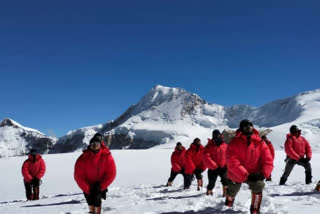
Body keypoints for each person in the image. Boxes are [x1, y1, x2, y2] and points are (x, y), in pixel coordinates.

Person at [225, 120, 273, 214]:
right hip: (237, 173)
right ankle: (229, 200)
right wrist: (245, 174)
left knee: (259, 186)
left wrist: (264, 173)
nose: (248, 128)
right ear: (241, 128)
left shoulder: (259, 142)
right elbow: (232, 161)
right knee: (233, 190)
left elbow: (267, 159)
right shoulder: (234, 142)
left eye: (250, 126)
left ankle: (255, 209)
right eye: (245, 126)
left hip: (254, 174)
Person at [74, 135, 116, 214]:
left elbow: (111, 174)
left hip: (100, 185)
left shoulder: (107, 156)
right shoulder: (82, 158)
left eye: (97, 144)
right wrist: (87, 189)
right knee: (89, 201)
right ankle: (92, 211)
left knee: (97, 200)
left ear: (100, 144)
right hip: (87, 185)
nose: (94, 145)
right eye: (92, 144)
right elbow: (78, 176)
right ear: (89, 145)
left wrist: (100, 187)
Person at [203, 129, 228, 196]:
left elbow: (228, 155)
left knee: (225, 180)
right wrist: (213, 165)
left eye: (218, 134)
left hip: (223, 167)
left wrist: (227, 164)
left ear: (220, 135)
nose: (217, 136)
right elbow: (206, 156)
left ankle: (225, 194)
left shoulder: (225, 145)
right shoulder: (209, 146)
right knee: (211, 182)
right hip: (213, 168)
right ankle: (209, 192)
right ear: (213, 136)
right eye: (215, 135)